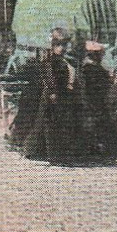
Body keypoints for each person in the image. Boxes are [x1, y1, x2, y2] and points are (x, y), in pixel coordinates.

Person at [24, 35, 81, 164]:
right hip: (52, 95)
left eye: (64, 45)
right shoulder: (50, 61)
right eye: (58, 46)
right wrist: (53, 92)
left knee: (57, 124)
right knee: (49, 124)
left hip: (63, 95)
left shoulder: (64, 61)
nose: (61, 48)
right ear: (53, 47)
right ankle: (50, 155)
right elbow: (49, 77)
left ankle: (54, 154)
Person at [78, 41, 117, 163]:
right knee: (99, 128)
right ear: (95, 55)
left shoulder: (90, 69)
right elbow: (94, 88)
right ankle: (101, 154)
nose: (102, 57)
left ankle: (101, 153)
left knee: (101, 128)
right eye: (100, 54)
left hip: (97, 102)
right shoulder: (91, 70)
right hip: (96, 103)